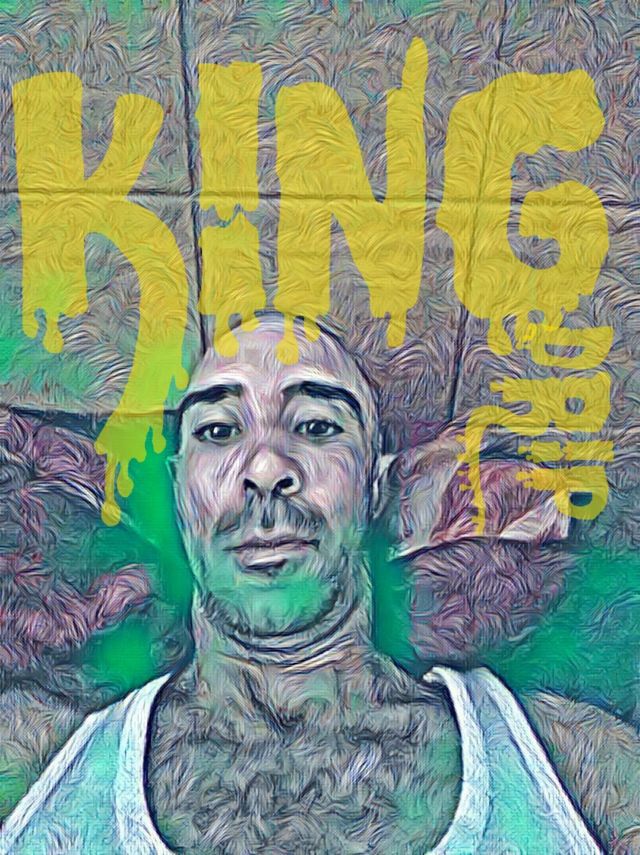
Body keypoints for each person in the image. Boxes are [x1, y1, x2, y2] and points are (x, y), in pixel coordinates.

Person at [1, 313, 639, 855]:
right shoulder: (37, 759)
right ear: (178, 490)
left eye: (316, 426)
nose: (266, 467)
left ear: (375, 487)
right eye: (219, 430)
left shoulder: (574, 763)